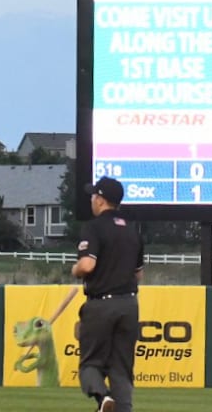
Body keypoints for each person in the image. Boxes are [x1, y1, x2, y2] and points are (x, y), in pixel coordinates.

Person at [72, 176, 145, 412]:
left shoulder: (93, 227)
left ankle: (103, 398)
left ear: (101, 200)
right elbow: (138, 275)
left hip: (101, 304)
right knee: (121, 370)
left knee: (90, 365)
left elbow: (87, 266)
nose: (92, 199)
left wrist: (74, 269)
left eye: (94, 195)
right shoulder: (133, 230)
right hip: (129, 304)